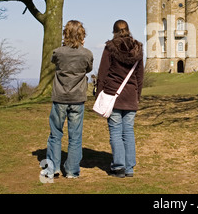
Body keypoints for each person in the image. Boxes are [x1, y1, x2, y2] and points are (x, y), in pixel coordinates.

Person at [41, 20, 93, 179]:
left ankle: (52, 169)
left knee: (55, 134)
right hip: (78, 98)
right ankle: (72, 171)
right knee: (75, 136)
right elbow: (88, 69)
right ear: (82, 35)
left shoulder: (58, 52)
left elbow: (54, 61)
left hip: (60, 97)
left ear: (65, 34)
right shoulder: (87, 54)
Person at [96, 20, 144, 178]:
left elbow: (103, 73)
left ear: (114, 31)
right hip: (130, 96)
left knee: (116, 132)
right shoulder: (138, 48)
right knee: (128, 132)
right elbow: (139, 76)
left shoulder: (110, 47)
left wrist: (98, 96)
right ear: (128, 30)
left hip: (112, 95)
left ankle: (119, 167)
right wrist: (137, 96)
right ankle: (129, 168)